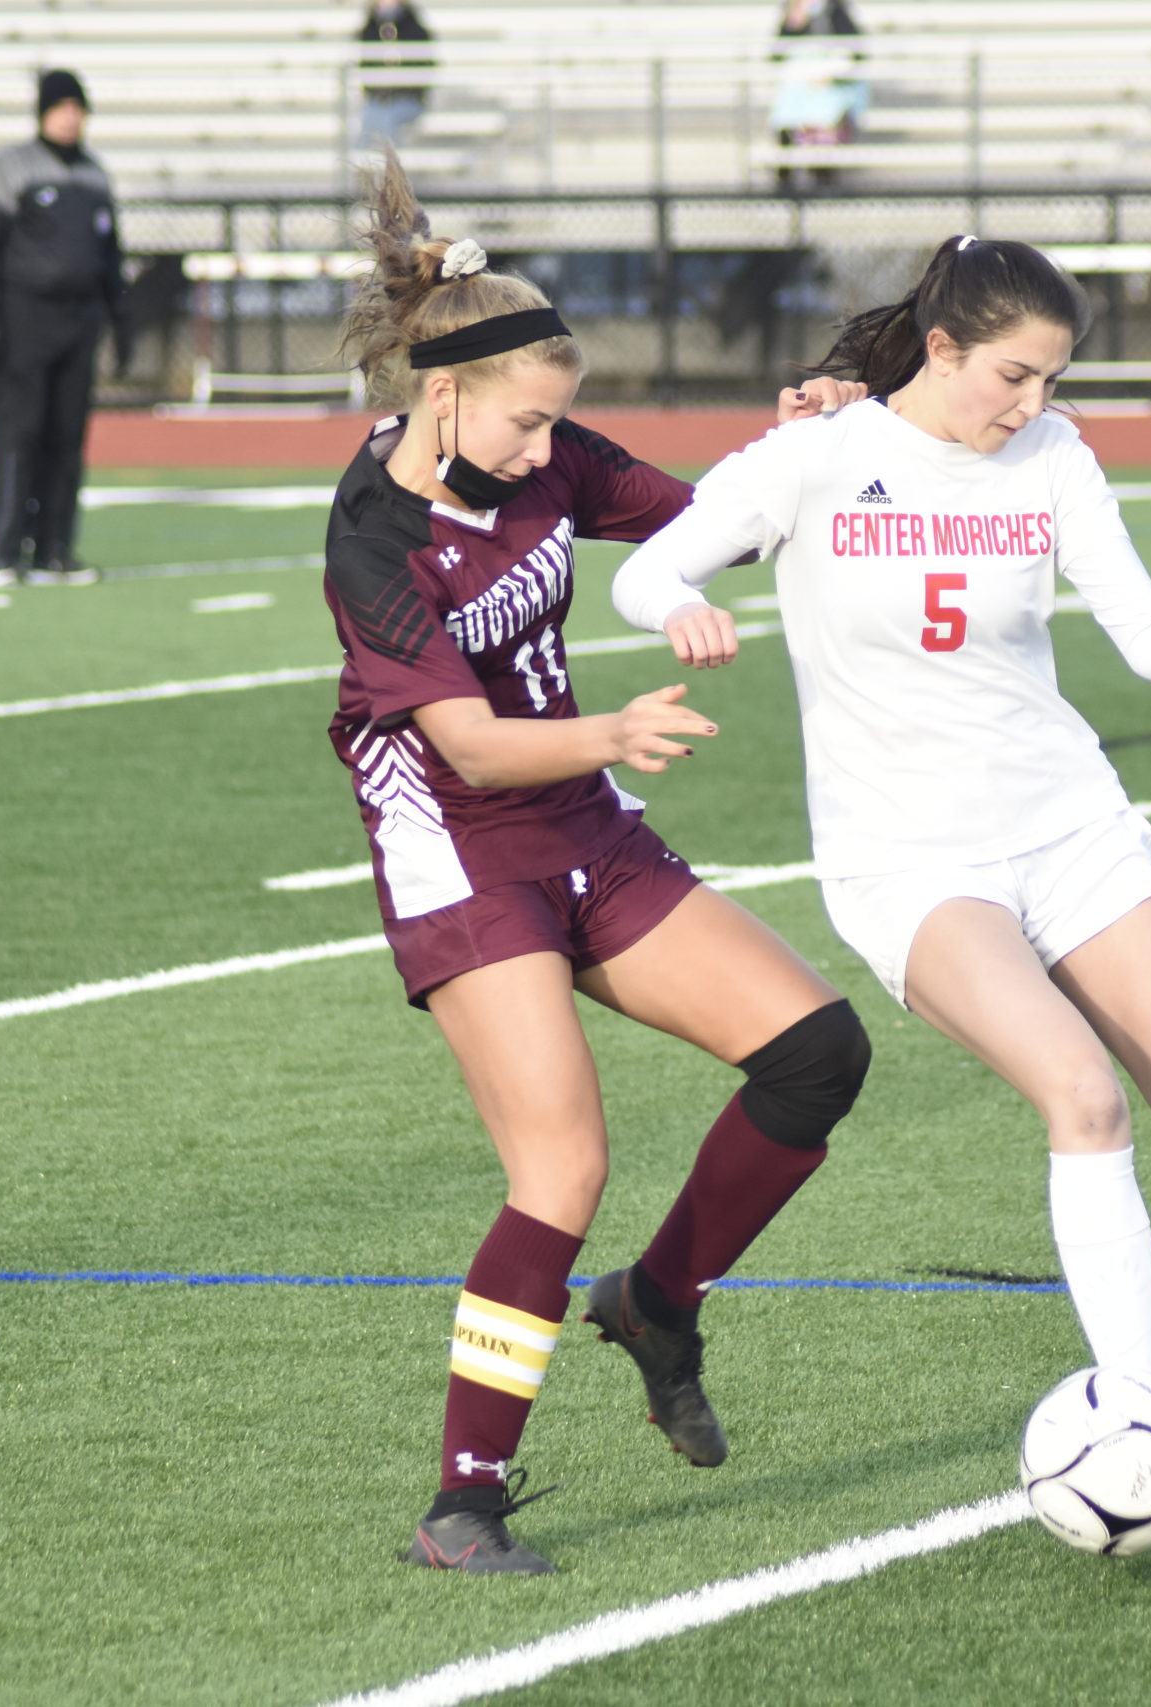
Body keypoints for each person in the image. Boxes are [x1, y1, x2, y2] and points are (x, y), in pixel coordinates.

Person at [611, 236, 1151, 1529]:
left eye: (1055, 379)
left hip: (1071, 826)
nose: (1033, 405)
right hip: (911, 858)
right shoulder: (821, 455)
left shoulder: (1054, 458)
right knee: (1084, 1093)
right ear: (942, 348)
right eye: (1014, 375)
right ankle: (1139, 1407)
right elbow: (643, 564)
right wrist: (680, 606)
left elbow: (1141, 628)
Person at [324, 154, 873, 1575]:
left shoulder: (542, 444)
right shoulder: (375, 534)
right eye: (524, 421)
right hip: (462, 841)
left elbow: (711, 521)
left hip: (581, 821)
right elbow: (475, 748)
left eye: (556, 421)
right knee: (560, 1162)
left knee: (817, 1051)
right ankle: (465, 1499)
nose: (545, 449)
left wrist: (811, 440)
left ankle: (661, 1302)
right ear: (440, 393)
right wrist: (615, 724)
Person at [0, 69, 132, 587]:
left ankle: (55, 549)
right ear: (42, 112)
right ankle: (7, 552)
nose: (70, 117)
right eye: (61, 107)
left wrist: (120, 321)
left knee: (66, 438)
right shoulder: (11, 168)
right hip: (25, 321)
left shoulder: (94, 174)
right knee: (20, 436)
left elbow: (110, 257)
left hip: (79, 323)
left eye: (77, 108)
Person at [769, 0, 867, 192]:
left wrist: (830, 75)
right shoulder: (793, 12)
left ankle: (823, 174)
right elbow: (776, 55)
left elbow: (856, 50)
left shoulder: (836, 11)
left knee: (827, 113)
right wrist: (793, 23)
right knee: (786, 112)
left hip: (830, 84)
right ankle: (785, 175)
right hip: (801, 85)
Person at [355, 0, 437, 153]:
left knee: (388, 122)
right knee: (367, 125)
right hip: (377, 100)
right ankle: (367, 173)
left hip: (407, 100)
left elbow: (425, 67)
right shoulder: (369, 28)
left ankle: (392, 173)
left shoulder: (415, 28)